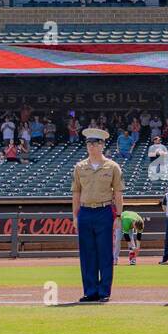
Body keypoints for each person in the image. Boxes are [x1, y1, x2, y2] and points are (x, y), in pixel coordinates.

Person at [71, 127, 123, 303]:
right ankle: (90, 291)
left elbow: (118, 193)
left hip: (104, 211)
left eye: (94, 143)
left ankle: (104, 291)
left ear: (102, 145)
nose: (90, 146)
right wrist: (75, 216)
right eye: (88, 143)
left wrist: (118, 216)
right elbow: (76, 193)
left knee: (105, 253)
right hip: (85, 211)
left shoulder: (113, 166)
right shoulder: (80, 167)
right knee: (87, 254)